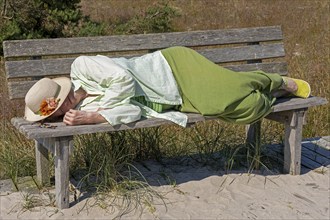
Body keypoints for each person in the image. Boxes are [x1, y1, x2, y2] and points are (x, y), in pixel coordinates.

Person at [24, 46, 311, 127]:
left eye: (55, 110)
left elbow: (123, 79)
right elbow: (131, 112)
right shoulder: (86, 107)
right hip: (171, 101)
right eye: (54, 117)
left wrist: (102, 110)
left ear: (60, 99)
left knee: (222, 99)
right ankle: (269, 95)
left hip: (173, 68)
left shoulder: (82, 67)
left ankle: (276, 81)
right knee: (238, 110)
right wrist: (94, 117)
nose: (60, 115)